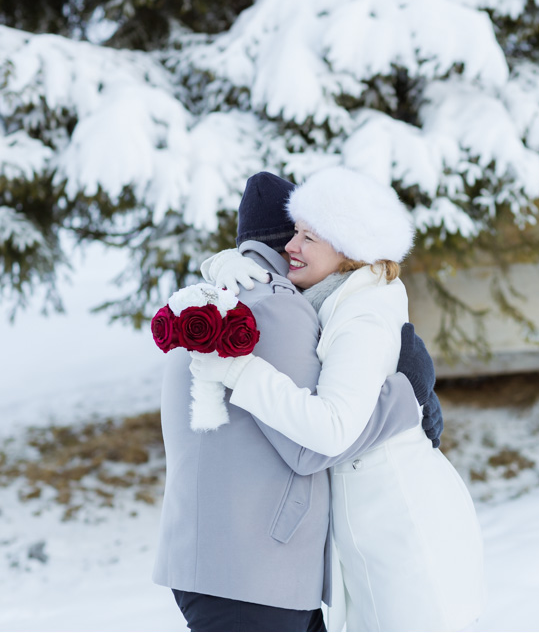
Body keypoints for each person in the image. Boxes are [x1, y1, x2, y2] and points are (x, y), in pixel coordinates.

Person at [191, 167, 486, 631]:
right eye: (293, 233)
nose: (291, 246)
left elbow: (331, 429)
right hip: (371, 525)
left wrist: (239, 371)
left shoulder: (362, 316)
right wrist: (225, 262)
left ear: (349, 248)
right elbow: (272, 282)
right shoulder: (342, 296)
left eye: (308, 236)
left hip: (399, 527)